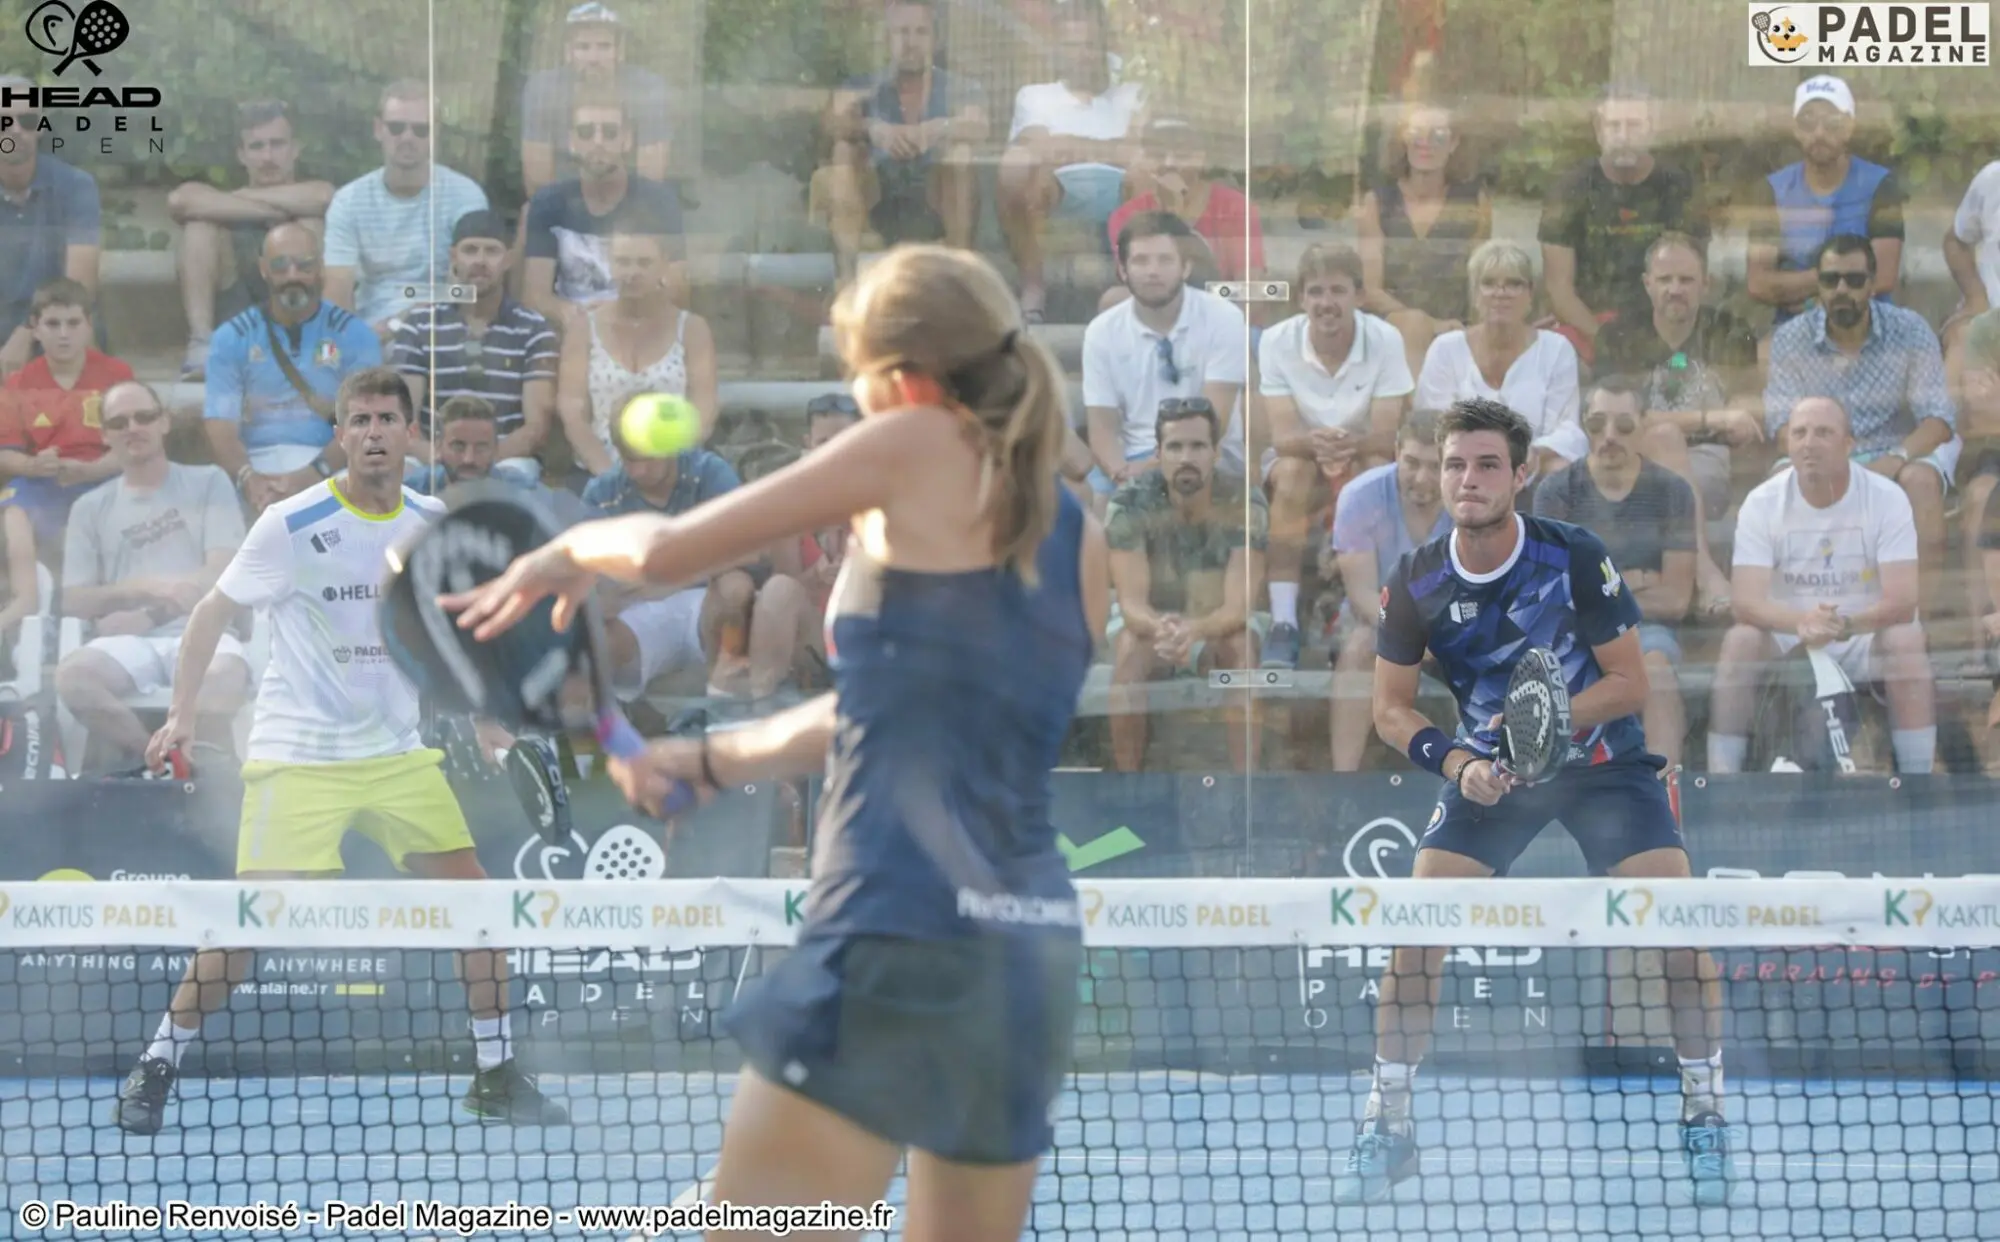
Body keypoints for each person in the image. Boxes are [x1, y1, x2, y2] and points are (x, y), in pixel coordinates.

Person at [446, 245, 1105, 1241]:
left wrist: (566, 547)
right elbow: (898, 714)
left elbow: (669, 550)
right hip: (1023, 950)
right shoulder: (1073, 529)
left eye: (852, 366)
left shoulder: (908, 440)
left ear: (900, 373)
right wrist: (716, 758)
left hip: (892, 925)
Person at [112, 367, 565, 1136]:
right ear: (341, 435)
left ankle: (494, 1071)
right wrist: (182, 713)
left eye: (388, 419)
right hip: (299, 757)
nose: (374, 433)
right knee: (248, 924)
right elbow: (212, 613)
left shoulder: (428, 522)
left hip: (397, 756)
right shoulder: (291, 524)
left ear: (409, 433)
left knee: (481, 907)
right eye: (360, 420)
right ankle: (157, 1062)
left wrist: (491, 721)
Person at [1334, 396, 1730, 1205]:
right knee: (1415, 941)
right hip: (1486, 774)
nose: (1467, 480)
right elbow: (1389, 710)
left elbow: (1630, 683)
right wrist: (1454, 761)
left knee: (1683, 940)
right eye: (1454, 464)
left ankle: (1703, 1113)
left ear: (1520, 475)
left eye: (1486, 465)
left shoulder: (1573, 557)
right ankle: (1388, 1123)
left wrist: (1539, 727)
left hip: (1604, 769)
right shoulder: (1415, 582)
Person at [1710, 395, 1932, 776]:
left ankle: (1918, 777)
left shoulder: (1887, 498)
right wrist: (1801, 622)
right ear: (1788, 444)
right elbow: (1745, 602)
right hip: (1788, 632)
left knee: (1906, 641)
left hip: (1862, 633)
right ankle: (1721, 777)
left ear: (1849, 445)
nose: (1809, 443)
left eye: (1823, 433)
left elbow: (1903, 600)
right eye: (1799, 433)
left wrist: (1844, 625)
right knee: (1739, 641)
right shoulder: (1762, 502)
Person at [56, 382, 248, 770]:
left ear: (164, 422)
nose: (133, 427)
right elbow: (74, 599)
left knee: (225, 678)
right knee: (73, 679)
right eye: (119, 421)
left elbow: (223, 569)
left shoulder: (208, 482)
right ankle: (159, 760)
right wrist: (141, 588)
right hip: (126, 644)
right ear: (105, 435)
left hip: (204, 629)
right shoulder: (89, 507)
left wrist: (148, 614)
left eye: (144, 417)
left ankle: (191, 759)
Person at [1532, 377, 1697, 769]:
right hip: (1576, 633)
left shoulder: (1673, 491)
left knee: (1654, 669)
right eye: (1596, 424)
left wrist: (1598, 587)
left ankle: (1665, 794)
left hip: (1647, 632)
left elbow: (1675, 600)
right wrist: (1633, 583)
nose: (1609, 436)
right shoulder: (1555, 492)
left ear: (1642, 426)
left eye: (1623, 426)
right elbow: (1552, 596)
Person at [811, 0, 987, 284]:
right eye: (902, 32)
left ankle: (961, 278)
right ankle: (846, 280)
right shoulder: (863, 86)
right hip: (876, 198)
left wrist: (937, 129)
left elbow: (978, 125)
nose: (911, 42)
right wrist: (873, 129)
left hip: (936, 199)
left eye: (921, 32)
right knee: (843, 151)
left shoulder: (959, 87)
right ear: (887, 39)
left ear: (935, 39)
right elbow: (830, 122)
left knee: (961, 153)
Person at [169, 99, 335, 380]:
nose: (267, 157)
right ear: (241, 155)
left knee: (311, 224)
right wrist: (275, 209)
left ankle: (310, 342)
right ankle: (202, 345)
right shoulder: (223, 204)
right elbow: (180, 201)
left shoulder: (316, 191)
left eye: (277, 144)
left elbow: (324, 197)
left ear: (295, 149)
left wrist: (232, 201)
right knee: (199, 229)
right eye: (257, 147)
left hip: (298, 317)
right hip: (234, 319)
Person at [557, 218, 717, 479]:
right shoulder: (583, 328)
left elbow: (704, 410)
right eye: (623, 262)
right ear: (609, 263)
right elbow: (573, 412)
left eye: (644, 262)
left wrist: (664, 470)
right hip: (599, 470)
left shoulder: (692, 329)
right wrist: (610, 476)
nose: (632, 272)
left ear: (663, 264)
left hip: (673, 469)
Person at [1414, 240, 1584, 477]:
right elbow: (1435, 424)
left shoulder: (1556, 349)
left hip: (1531, 469)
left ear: (1530, 295)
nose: (1500, 294)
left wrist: (1532, 453)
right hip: (1462, 471)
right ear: (1474, 294)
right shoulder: (1446, 349)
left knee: (1561, 470)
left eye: (1514, 284)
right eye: (1489, 283)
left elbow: (1568, 430)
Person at [1354, 99, 1491, 379]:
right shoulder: (1377, 202)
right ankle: (1417, 419)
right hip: (1391, 323)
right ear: (1403, 140)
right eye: (1416, 134)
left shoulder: (1475, 201)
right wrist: (1431, 324)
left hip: (1457, 324)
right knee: (1414, 325)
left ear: (1454, 143)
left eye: (1438, 136)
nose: (1425, 143)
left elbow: (1482, 278)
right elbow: (1371, 290)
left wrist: (1473, 328)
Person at [0, 279, 134, 546]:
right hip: (42, 482)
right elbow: (4, 451)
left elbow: (133, 444)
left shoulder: (118, 374)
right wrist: (32, 465)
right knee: (13, 517)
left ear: (88, 326)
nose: (63, 333)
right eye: (52, 324)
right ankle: (27, 587)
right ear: (35, 328)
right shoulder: (18, 383)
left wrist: (92, 470)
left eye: (73, 323)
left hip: (106, 475)